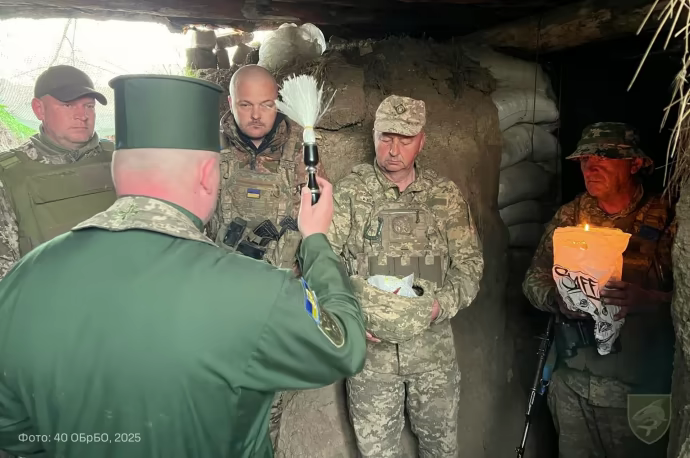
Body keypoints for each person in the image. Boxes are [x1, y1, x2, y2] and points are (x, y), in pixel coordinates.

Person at [0, 74, 366, 458]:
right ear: (210, 175)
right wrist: (316, 240)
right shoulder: (253, 294)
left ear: (117, 169)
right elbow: (344, 346)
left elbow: (13, 431)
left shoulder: (22, 283)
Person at [326, 95, 484, 458]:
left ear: (422, 141)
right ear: (374, 135)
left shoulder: (444, 196)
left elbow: (470, 266)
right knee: (377, 453)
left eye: (405, 139)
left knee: (440, 450)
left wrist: (438, 307)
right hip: (372, 358)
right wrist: (348, 315)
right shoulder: (350, 192)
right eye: (386, 137)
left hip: (433, 354)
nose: (393, 150)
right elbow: (325, 261)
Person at [522, 122, 676, 458]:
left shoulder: (666, 218)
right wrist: (557, 299)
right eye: (584, 159)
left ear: (635, 164)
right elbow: (533, 278)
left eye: (603, 157)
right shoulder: (571, 215)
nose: (590, 167)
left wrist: (650, 301)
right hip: (573, 384)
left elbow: (686, 299)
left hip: (639, 389)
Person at [208, 63, 328, 447]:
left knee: (270, 401)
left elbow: (319, 224)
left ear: (278, 102)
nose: (257, 115)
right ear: (230, 103)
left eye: (266, 104)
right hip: (223, 297)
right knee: (221, 398)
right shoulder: (209, 149)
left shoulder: (302, 150)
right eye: (245, 105)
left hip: (280, 298)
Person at [0, 64, 115, 278]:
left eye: (89, 106)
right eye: (68, 105)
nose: (82, 115)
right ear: (39, 109)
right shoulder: (8, 175)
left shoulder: (121, 160)